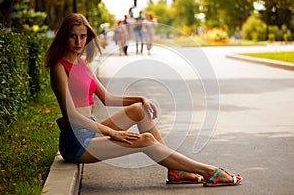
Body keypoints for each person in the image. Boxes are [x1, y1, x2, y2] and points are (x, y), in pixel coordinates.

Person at [45, 13, 242, 187]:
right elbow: (72, 116)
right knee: (146, 140)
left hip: (91, 131)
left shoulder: (82, 64)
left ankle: (175, 171)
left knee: (139, 109)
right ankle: (209, 171)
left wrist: (140, 98)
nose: (79, 42)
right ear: (64, 37)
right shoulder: (59, 68)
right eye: (73, 36)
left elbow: (107, 98)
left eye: (83, 36)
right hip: (76, 142)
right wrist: (113, 132)